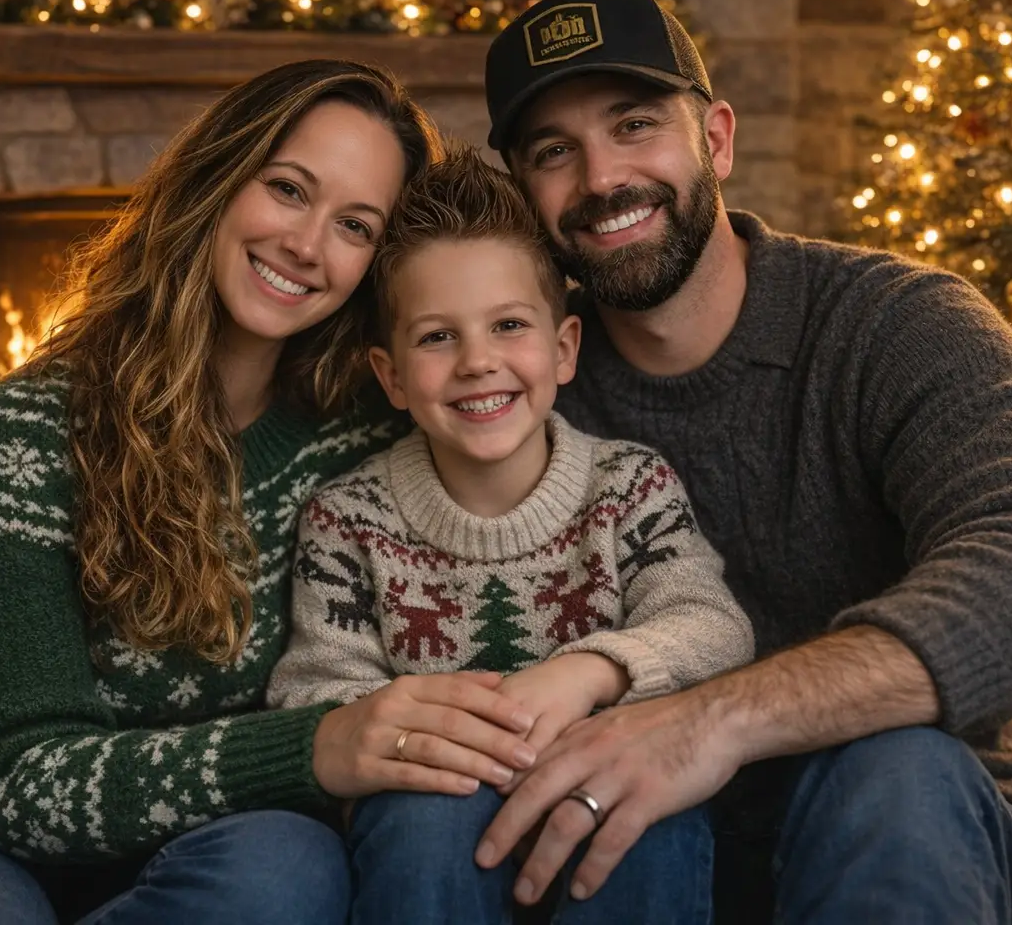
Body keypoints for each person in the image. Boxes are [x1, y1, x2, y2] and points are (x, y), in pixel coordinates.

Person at [0, 60, 549, 925]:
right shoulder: (15, 437)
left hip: (209, 837)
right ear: (215, 180)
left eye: (355, 225)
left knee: (289, 875)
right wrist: (317, 746)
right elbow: (16, 787)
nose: (307, 244)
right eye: (288, 189)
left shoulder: (380, 425)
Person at [467, 0, 1012, 924]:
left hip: (917, 827)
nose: (602, 177)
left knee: (890, 766)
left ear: (719, 140)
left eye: (636, 125)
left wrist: (712, 721)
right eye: (552, 152)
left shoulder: (896, 323)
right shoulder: (512, 380)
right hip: (638, 845)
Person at [267, 144, 753, 923]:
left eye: (508, 325)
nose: (477, 362)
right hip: (431, 808)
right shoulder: (348, 519)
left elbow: (711, 626)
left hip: (601, 785)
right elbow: (313, 692)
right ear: (390, 376)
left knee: (641, 813)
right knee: (427, 820)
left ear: (562, 350)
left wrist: (589, 674)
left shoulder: (628, 487)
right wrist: (443, 739)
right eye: (436, 338)